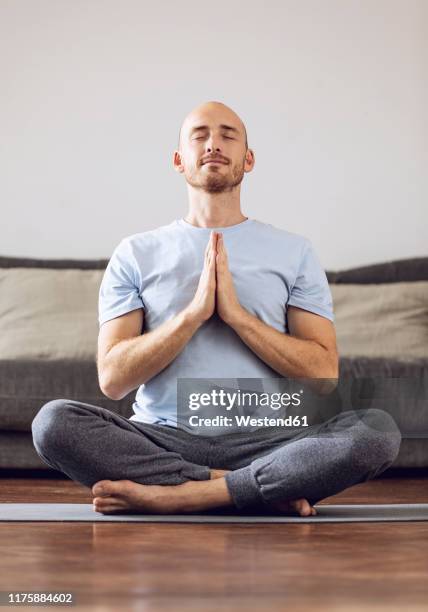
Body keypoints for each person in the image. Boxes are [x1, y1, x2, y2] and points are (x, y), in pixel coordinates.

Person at [31, 101, 401, 516]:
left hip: (267, 440)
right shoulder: (136, 252)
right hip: (163, 438)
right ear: (178, 160)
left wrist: (238, 317)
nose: (213, 144)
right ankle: (247, 488)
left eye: (228, 135)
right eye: (200, 135)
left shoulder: (293, 251)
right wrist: (193, 315)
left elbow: (323, 375)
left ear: (249, 158)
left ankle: (178, 495)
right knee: (53, 422)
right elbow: (113, 379)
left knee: (376, 431)